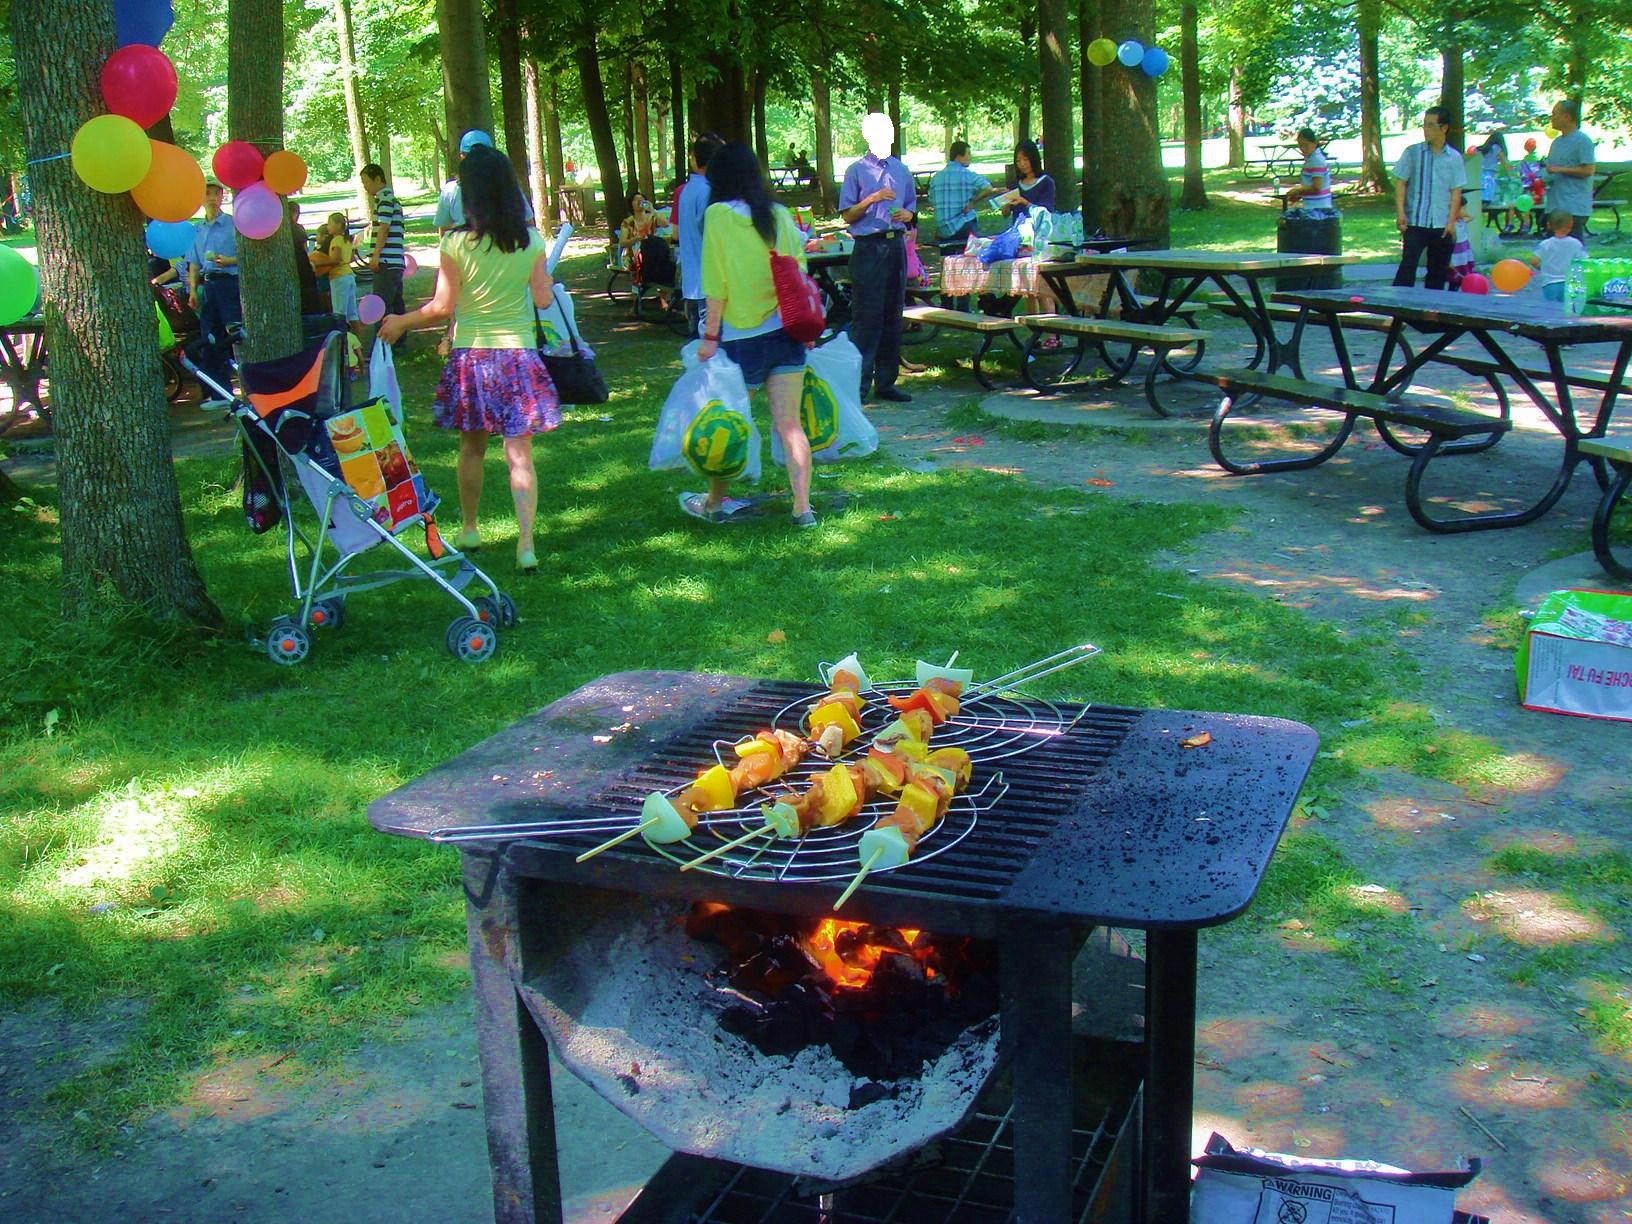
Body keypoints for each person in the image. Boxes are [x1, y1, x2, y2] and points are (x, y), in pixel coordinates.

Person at [376, 147, 557, 575]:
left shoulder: (455, 243)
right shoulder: (531, 240)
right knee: (520, 455)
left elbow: (442, 307)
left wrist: (400, 321)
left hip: (472, 356)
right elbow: (543, 298)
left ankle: (471, 528)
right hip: (518, 356)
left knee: (471, 449)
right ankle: (526, 544)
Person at [693, 142, 818, 527]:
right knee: (789, 424)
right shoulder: (779, 214)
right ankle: (802, 508)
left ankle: (714, 503)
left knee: (728, 424)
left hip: (740, 336)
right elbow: (799, 270)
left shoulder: (718, 215)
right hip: (786, 331)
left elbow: (716, 280)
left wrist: (710, 336)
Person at [839, 111, 917, 404]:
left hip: (895, 244)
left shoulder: (901, 170)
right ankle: (859, 386)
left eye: (891, 132)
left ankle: (886, 382)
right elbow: (847, 215)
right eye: (881, 133)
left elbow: (912, 212)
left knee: (891, 315)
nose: (887, 137)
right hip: (868, 247)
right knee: (866, 316)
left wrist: (909, 216)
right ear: (868, 137)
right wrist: (871, 199)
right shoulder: (856, 171)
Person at [1391, 107, 1464, 290]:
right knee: (1407, 267)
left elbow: (1456, 192)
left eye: (1431, 125)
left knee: (1437, 273)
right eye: (1424, 125)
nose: (1426, 130)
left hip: (1441, 224)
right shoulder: (1413, 153)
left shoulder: (1454, 158)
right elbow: (1401, 183)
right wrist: (1400, 213)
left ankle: (1430, 315)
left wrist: (1451, 222)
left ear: (1444, 128)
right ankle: (1399, 311)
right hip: (1415, 221)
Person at [185, 181, 240, 399]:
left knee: (236, 334)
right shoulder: (197, 229)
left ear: (223, 197)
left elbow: (248, 257)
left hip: (230, 283)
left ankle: (252, 387)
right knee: (209, 337)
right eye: (207, 194)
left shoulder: (234, 224)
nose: (212, 198)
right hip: (208, 285)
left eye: (217, 194)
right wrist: (192, 291)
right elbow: (194, 263)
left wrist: (230, 261)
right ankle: (219, 394)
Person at [436, 129, 535, 233]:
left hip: (464, 247)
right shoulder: (508, 186)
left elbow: (444, 232)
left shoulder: (450, 191)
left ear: (462, 156)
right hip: (506, 246)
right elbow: (529, 225)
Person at [678, 133, 723, 338]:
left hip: (693, 283)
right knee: (715, 355)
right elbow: (714, 237)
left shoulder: (688, 190)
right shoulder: (708, 191)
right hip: (709, 286)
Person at [359, 162, 407, 324]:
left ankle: (384, 343)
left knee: (382, 304)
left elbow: (384, 228)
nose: (365, 187)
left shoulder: (385, 199)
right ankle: (398, 344)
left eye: (366, 182)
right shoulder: (390, 199)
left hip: (386, 261)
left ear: (377, 179)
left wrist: (376, 256)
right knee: (395, 303)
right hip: (394, 261)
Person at [1545, 99, 1596, 243]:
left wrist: (1558, 169)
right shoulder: (1556, 143)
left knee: (1572, 251)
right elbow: (1550, 169)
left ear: (1567, 117)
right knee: (1553, 251)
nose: (1552, 118)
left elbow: (1588, 170)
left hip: (1574, 207)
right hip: (1555, 205)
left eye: (1555, 114)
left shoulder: (1582, 141)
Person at [928, 140, 998, 245]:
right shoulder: (969, 175)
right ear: (959, 156)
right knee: (968, 259)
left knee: (947, 259)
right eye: (968, 153)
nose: (970, 157)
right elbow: (988, 188)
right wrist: (973, 202)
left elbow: (932, 200)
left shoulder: (936, 178)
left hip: (943, 229)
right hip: (964, 225)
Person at [311, 213, 361, 341]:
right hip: (349, 275)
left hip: (339, 278)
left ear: (338, 225)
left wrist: (315, 264)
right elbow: (350, 258)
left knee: (339, 314)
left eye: (330, 223)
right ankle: (357, 343)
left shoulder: (336, 240)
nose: (328, 227)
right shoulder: (347, 240)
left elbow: (335, 260)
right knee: (352, 313)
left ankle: (343, 345)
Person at [1528, 209, 1586, 304]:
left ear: (1548, 225)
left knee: (1551, 309)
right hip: (1569, 283)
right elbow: (1584, 261)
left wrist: (1543, 268)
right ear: (1571, 225)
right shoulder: (1575, 244)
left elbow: (1534, 261)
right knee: (1568, 308)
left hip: (1549, 283)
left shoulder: (1545, 244)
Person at [999, 139, 1055, 218]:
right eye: (1018, 161)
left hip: (1037, 229)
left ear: (1033, 158)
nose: (1022, 164)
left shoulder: (1046, 182)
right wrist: (1005, 205)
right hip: (1018, 228)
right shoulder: (1015, 184)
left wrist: (1025, 202)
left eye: (1025, 159)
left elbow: (1047, 212)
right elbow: (1006, 214)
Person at [1281, 128, 1332, 210]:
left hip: (1318, 207)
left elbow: (1317, 187)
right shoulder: (1311, 158)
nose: (1303, 148)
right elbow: (1309, 184)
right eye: (1300, 145)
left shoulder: (1316, 160)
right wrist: (1300, 195)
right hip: (1314, 205)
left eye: (1306, 145)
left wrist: (1298, 190)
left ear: (1314, 143)